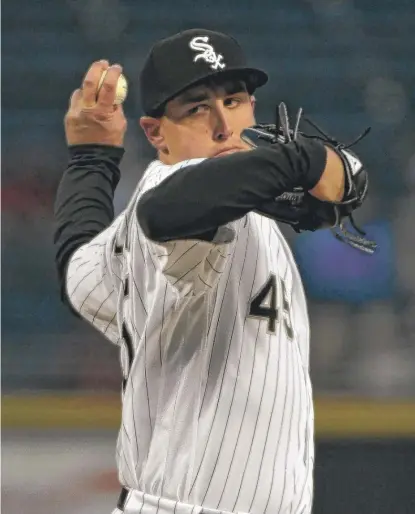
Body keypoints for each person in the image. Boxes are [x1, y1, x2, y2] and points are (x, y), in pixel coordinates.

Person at [54, 28, 355, 514]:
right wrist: (303, 159)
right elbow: (171, 210)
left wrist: (92, 159)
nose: (222, 125)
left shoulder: (152, 226)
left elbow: (78, 274)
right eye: (195, 108)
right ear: (155, 134)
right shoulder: (175, 199)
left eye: (234, 101)